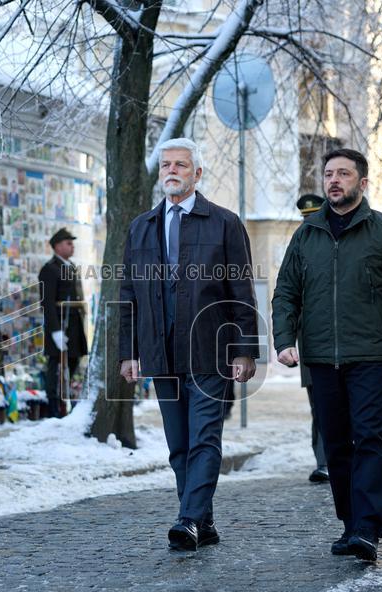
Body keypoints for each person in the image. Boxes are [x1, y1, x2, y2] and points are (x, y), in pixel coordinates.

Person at [272, 148, 382, 562]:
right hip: (322, 357)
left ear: (363, 182)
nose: (334, 180)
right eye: (328, 174)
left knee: (370, 439)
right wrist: (284, 339)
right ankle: (350, 524)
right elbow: (286, 291)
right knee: (336, 444)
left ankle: (368, 529)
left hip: (371, 356)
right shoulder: (306, 235)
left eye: (343, 173)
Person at [119, 138, 260, 551]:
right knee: (178, 445)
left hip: (209, 350)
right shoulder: (141, 226)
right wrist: (128, 352)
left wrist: (245, 349)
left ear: (197, 173)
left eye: (180, 165)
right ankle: (203, 521)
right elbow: (128, 294)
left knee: (204, 439)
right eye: (166, 165)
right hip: (161, 351)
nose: (171, 171)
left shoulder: (224, 223)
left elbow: (241, 290)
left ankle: (187, 520)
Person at [295, 193, 330, 484]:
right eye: (305, 219)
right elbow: (288, 296)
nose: (309, 223)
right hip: (311, 346)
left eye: (314, 217)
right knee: (320, 407)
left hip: (347, 344)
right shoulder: (299, 247)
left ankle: (343, 458)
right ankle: (324, 462)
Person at [39, 228, 88, 418]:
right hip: (59, 323)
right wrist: (55, 331)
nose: (72, 246)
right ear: (57, 246)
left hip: (74, 322)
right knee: (55, 364)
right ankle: (53, 406)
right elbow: (47, 302)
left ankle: (65, 398)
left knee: (74, 359)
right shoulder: (49, 269)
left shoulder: (71, 266)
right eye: (68, 243)